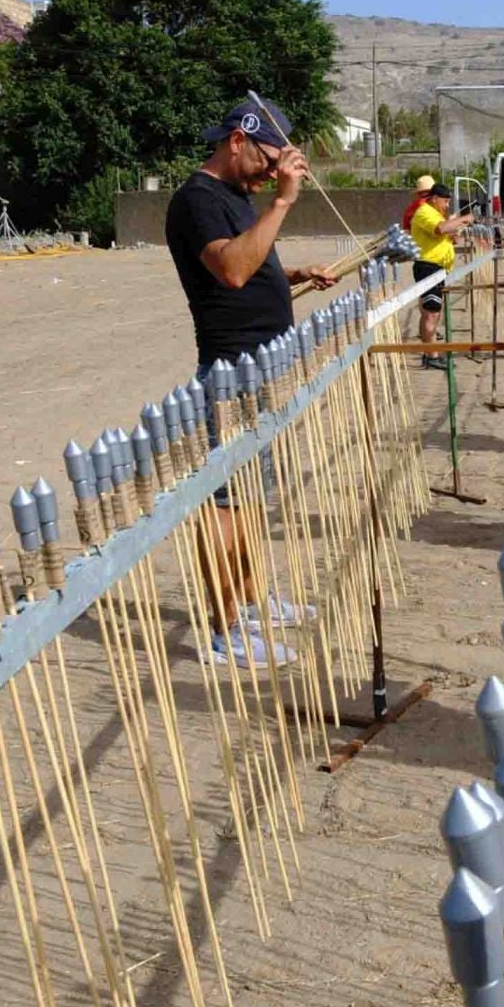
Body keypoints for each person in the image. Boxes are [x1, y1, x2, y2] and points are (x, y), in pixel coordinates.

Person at [165, 96, 333, 669]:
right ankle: (224, 628)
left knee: (250, 498)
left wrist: (292, 274)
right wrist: (285, 200)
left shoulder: (234, 198)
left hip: (261, 364)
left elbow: (253, 260)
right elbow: (231, 270)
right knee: (225, 501)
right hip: (231, 369)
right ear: (237, 139)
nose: (272, 171)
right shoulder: (196, 201)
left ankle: (249, 600)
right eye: (267, 158)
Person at [410, 182, 473, 369]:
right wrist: (463, 219)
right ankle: (432, 355)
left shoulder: (437, 214)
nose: (446, 206)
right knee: (431, 314)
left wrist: (453, 236)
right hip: (427, 267)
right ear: (434, 199)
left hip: (437, 268)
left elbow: (444, 233)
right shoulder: (424, 212)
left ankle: (430, 352)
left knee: (432, 313)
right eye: (445, 201)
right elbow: (441, 229)